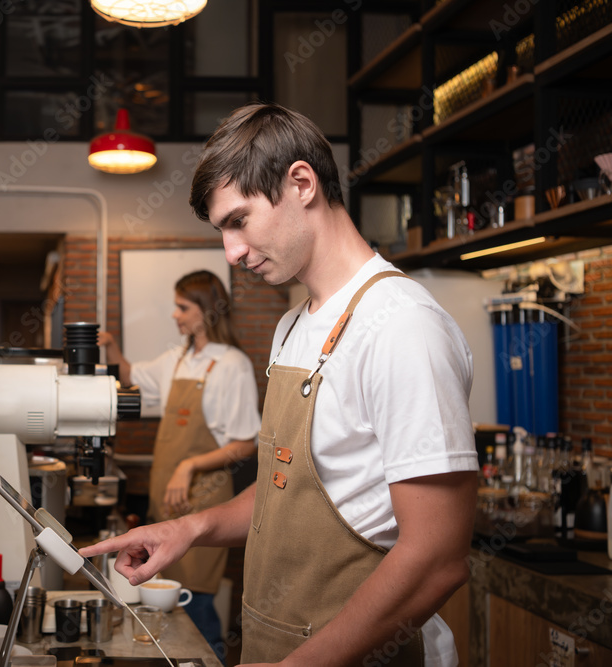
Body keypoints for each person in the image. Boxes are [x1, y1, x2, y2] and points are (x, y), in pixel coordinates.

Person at [81, 103, 478, 667]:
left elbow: (438, 559)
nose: (233, 253)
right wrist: (189, 528)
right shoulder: (293, 326)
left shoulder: (401, 325)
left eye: (238, 221)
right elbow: (283, 494)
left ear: (301, 183)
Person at [99, 270, 261, 659]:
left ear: (207, 311)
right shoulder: (178, 359)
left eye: (182, 307)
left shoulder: (231, 364)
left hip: (205, 502)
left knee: (197, 605)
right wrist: (112, 349)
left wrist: (189, 465)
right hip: (167, 500)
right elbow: (130, 375)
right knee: (168, 604)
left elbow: (246, 443)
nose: (175, 315)